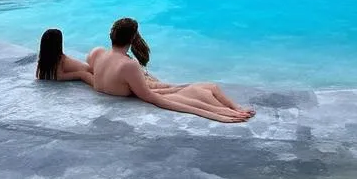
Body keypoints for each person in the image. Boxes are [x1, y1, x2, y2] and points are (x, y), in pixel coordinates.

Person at [88, 18, 254, 123]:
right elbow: (153, 98)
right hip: (150, 91)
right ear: (132, 39)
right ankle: (233, 109)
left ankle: (235, 108)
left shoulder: (97, 53)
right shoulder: (127, 65)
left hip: (141, 86)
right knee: (207, 89)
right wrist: (215, 114)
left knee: (209, 88)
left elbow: (89, 72)